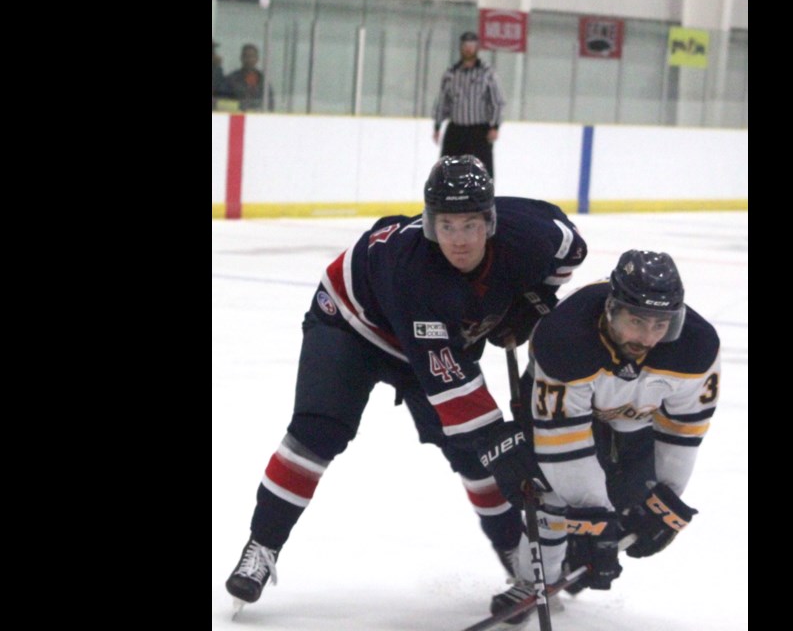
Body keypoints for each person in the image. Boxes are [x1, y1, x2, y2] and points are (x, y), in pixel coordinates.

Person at [225, 154, 588, 609]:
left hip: (434, 333)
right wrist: (501, 441)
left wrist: (536, 298)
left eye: (470, 225)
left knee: (471, 454)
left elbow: (570, 248)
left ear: (491, 221)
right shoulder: (415, 272)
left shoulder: (530, 235)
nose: (458, 240)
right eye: (446, 226)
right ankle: (262, 546)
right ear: (431, 223)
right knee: (318, 432)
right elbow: (449, 386)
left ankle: (516, 553)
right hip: (350, 323)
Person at [489, 250, 721, 626]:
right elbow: (563, 447)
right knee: (548, 490)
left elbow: (682, 434)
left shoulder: (695, 346)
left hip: (637, 416)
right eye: (637, 321)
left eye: (661, 325)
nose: (648, 338)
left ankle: (575, 557)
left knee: (632, 501)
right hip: (565, 407)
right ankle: (533, 581)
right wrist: (593, 519)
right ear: (611, 309)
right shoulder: (565, 338)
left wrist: (663, 503)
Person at [431, 31, 507, 179]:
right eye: (465, 45)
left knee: (482, 174)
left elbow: (497, 101)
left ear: (477, 47)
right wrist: (437, 126)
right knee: (447, 171)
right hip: (456, 131)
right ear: (461, 47)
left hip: (478, 132)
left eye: (472, 45)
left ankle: (482, 201)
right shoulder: (451, 74)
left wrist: (495, 126)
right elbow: (442, 101)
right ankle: (448, 200)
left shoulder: (487, 73)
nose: (468, 49)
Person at [224, 43, 274, 112]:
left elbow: (270, 103)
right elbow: (223, 101)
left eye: (252, 56)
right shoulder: (231, 80)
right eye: (246, 56)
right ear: (241, 58)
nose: (249, 59)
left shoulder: (263, 81)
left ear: (257, 59)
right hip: (237, 117)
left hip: (258, 118)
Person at [212, 40, 230, 110]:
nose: (214, 54)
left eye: (213, 50)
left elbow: (223, 92)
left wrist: (216, 67)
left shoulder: (217, 70)